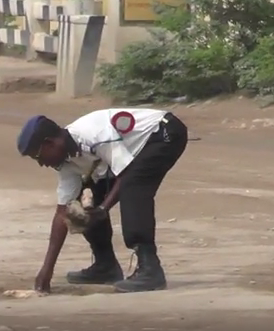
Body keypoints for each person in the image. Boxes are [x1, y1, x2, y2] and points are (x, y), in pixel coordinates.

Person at [16, 108, 188, 293]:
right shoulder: (66, 164)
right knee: (82, 207)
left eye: (38, 156)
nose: (41, 163)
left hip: (162, 134)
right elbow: (62, 212)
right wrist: (46, 270)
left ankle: (150, 269)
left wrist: (103, 208)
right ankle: (105, 265)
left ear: (50, 143)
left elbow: (124, 173)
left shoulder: (94, 133)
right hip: (131, 155)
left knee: (133, 186)